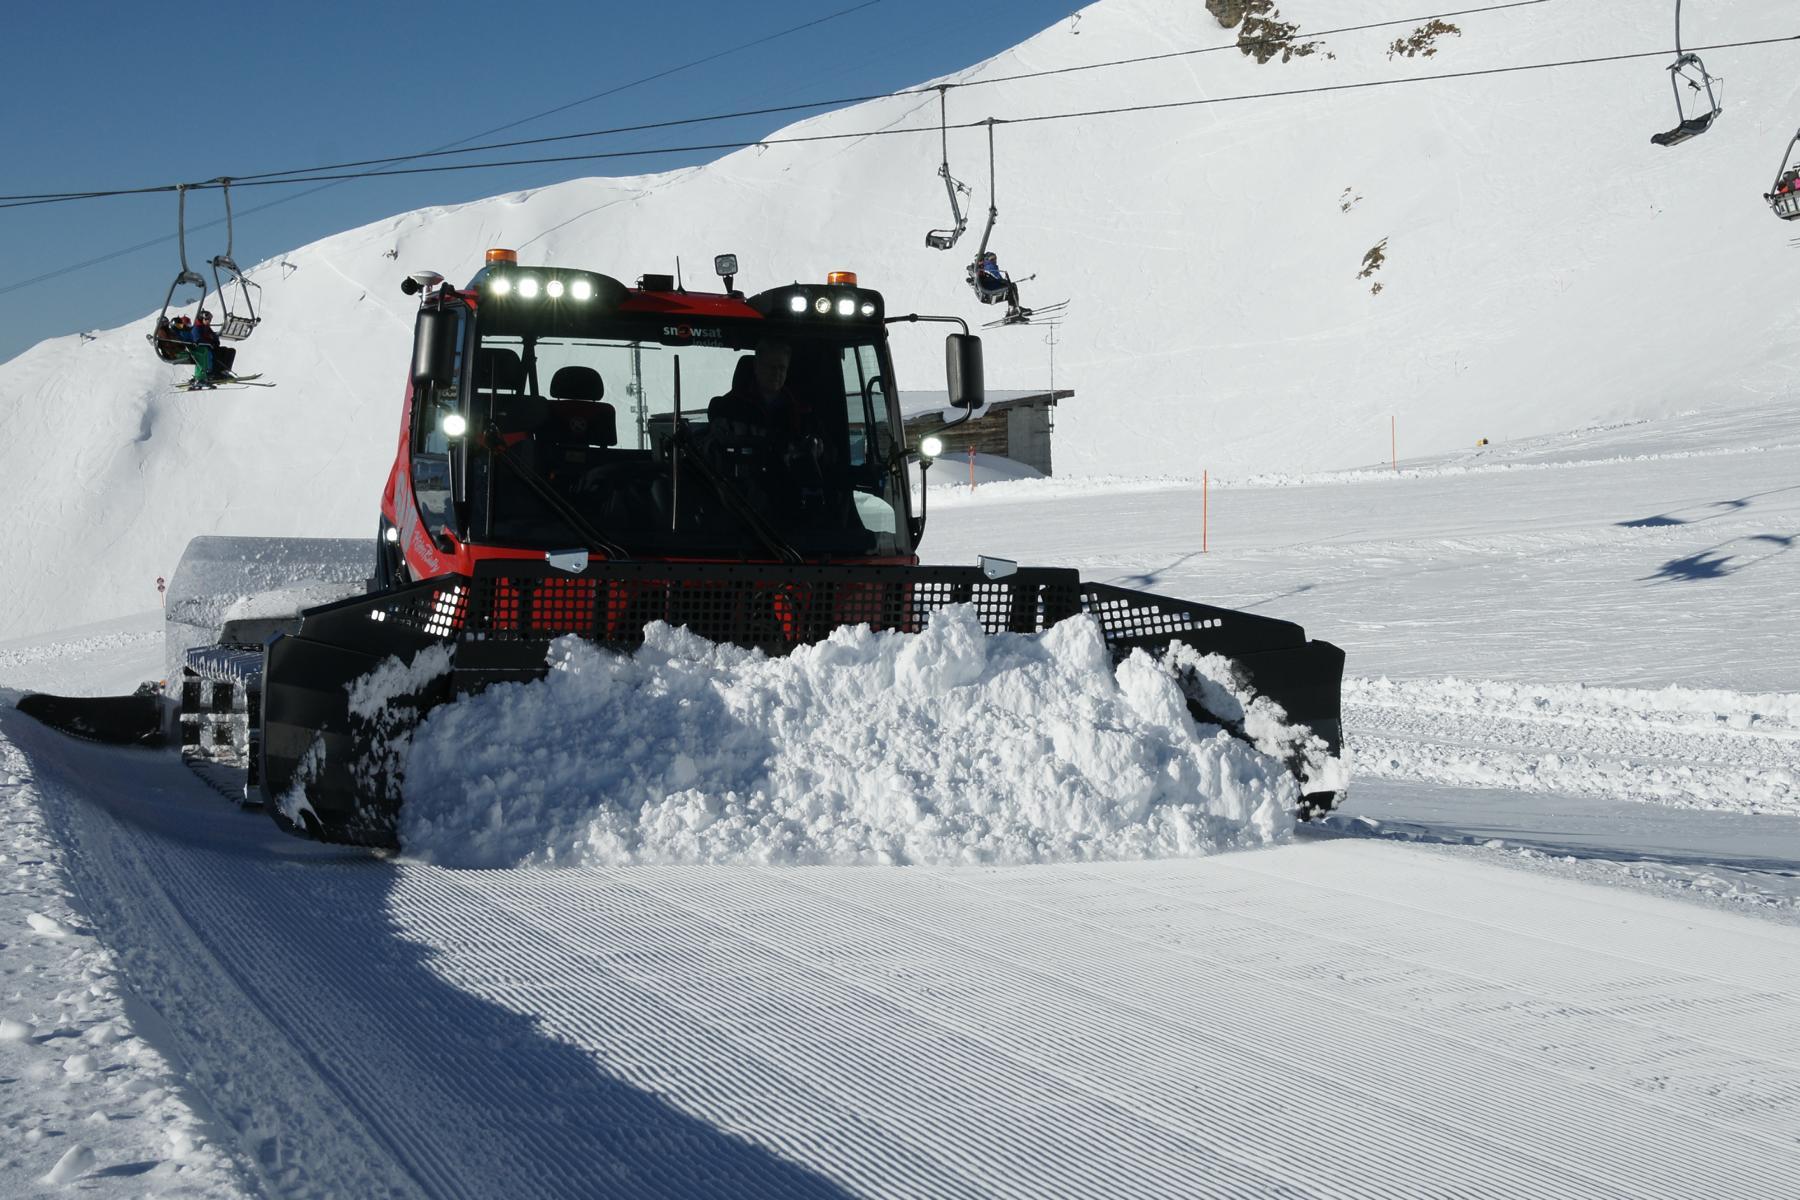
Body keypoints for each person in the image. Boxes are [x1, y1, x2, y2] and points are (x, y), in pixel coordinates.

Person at [191, 310, 237, 380]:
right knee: (212, 354)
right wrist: (210, 343)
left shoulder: (207, 328)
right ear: (201, 319)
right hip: (203, 349)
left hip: (211, 347)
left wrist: (215, 342)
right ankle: (212, 373)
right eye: (206, 319)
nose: (208, 321)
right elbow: (197, 340)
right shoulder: (196, 328)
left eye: (209, 320)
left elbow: (214, 337)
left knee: (230, 351)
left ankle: (224, 371)